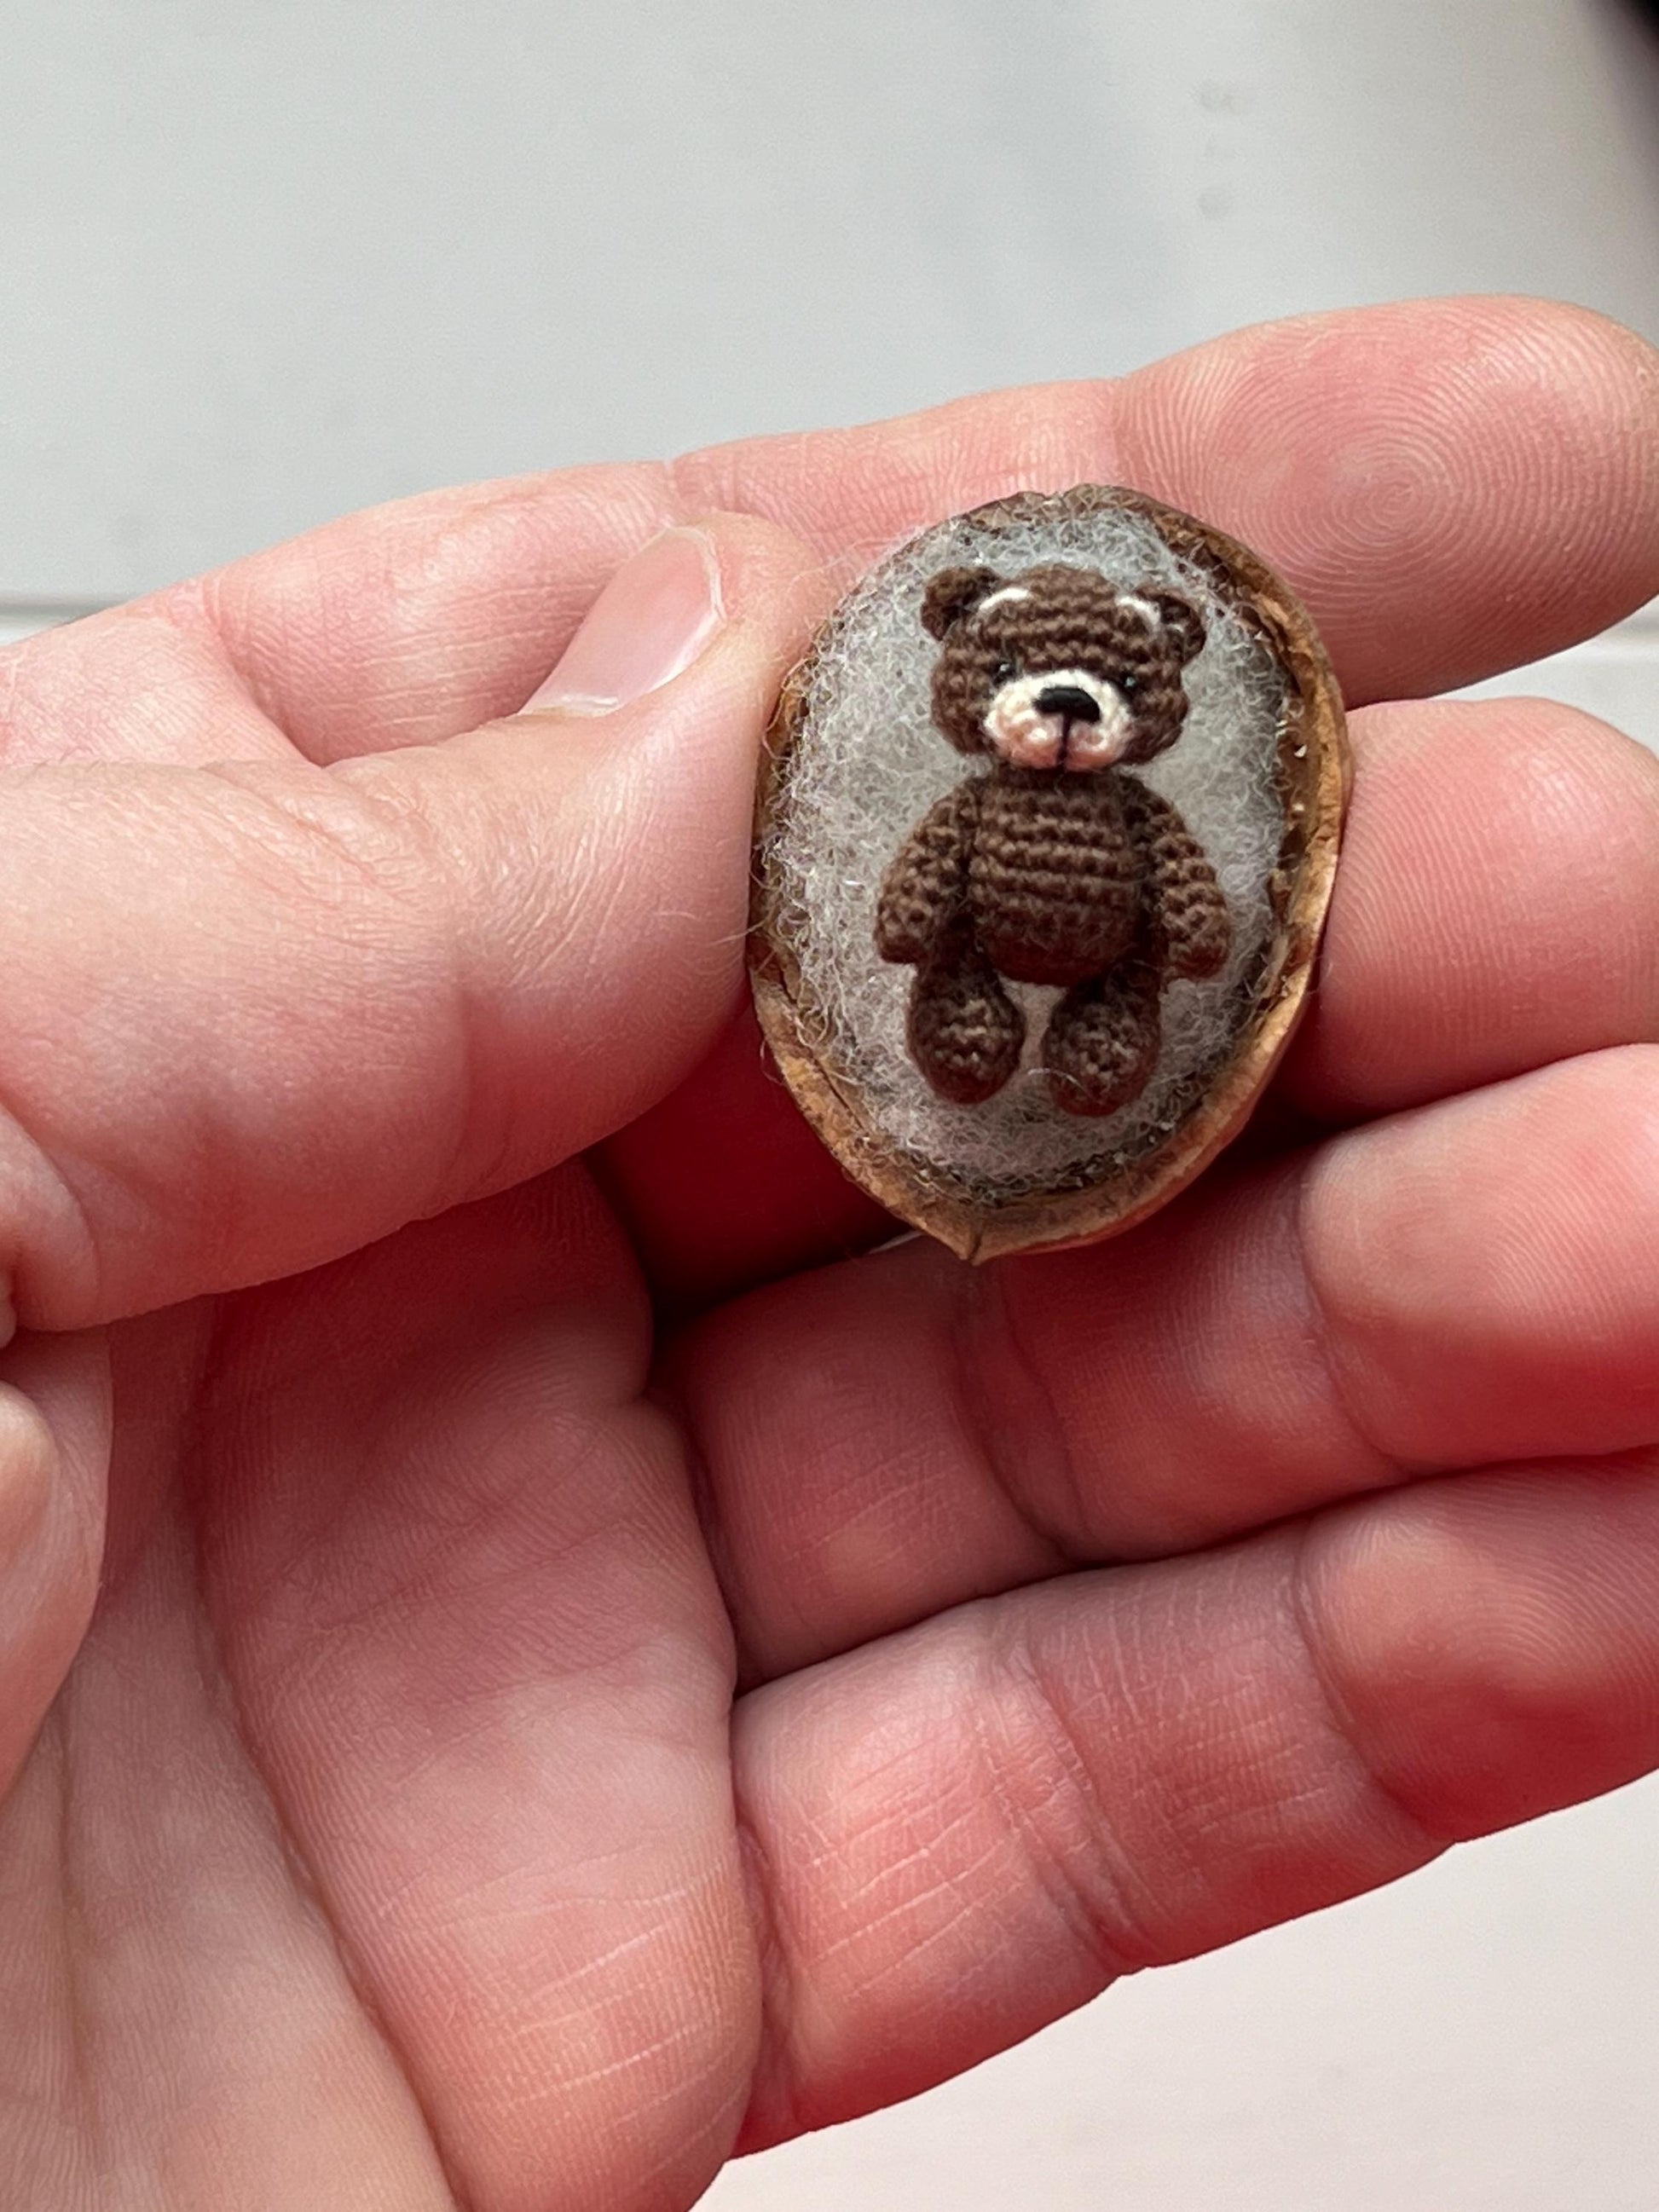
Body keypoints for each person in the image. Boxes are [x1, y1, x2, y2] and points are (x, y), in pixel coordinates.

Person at [0, 294, 1656, 2209]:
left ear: (1168, 695)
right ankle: (990, 1043)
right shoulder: (932, 772)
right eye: (1026, 693)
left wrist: (1183, 945)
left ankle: (1075, 1049)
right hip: (932, 1014)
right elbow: (904, 885)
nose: (1059, 718)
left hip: (1097, 1016)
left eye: (1103, 699)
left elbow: (1200, 893)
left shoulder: (1159, 798)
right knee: (977, 1006)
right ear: (955, 683)